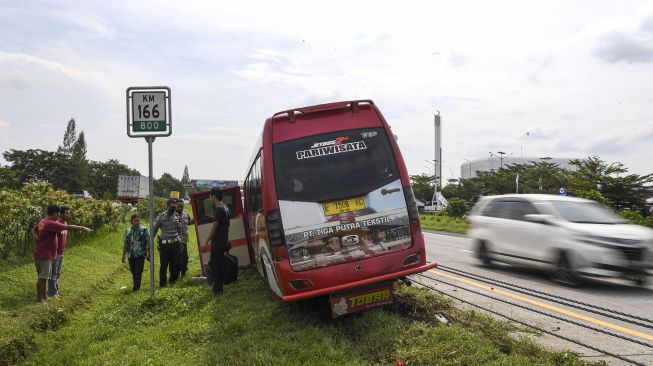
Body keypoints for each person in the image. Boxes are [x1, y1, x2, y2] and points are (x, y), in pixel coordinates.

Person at [32, 204, 92, 302]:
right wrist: (83, 228)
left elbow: (33, 231)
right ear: (55, 213)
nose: (59, 215)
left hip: (43, 254)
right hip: (44, 255)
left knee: (44, 277)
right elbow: (68, 227)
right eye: (58, 213)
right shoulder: (50, 223)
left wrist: (38, 239)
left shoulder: (43, 221)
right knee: (42, 278)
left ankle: (44, 297)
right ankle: (40, 300)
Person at [152, 198, 183, 287]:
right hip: (164, 245)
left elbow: (179, 230)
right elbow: (154, 231)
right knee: (164, 265)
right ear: (167, 206)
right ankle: (163, 283)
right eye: (171, 207)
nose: (173, 209)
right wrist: (149, 244)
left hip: (176, 244)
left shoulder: (177, 216)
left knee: (176, 264)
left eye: (175, 207)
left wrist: (180, 242)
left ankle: (173, 280)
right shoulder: (161, 217)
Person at [205, 187, 230, 295]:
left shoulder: (219, 208)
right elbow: (227, 226)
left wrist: (207, 239)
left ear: (213, 196)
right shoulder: (225, 207)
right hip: (223, 241)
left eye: (210, 196)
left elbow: (215, 226)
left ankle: (217, 289)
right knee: (218, 265)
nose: (210, 198)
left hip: (218, 242)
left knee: (215, 266)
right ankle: (219, 288)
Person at [47, 206, 70, 298]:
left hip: (61, 253)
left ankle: (56, 290)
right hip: (55, 253)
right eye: (67, 213)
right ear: (61, 213)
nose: (68, 215)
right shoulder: (57, 224)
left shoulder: (65, 223)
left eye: (69, 213)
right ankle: (52, 293)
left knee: (58, 273)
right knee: (53, 273)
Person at [122, 214, 150, 291]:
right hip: (131, 254)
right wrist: (123, 255)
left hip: (141, 254)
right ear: (132, 222)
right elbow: (125, 243)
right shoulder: (128, 231)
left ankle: (136, 288)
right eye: (135, 221)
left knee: (138, 271)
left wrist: (148, 252)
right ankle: (136, 285)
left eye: (138, 220)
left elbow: (149, 241)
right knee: (133, 271)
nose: (137, 222)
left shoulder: (144, 230)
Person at [175, 199, 193, 277]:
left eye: (182, 206)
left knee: (185, 257)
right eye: (178, 206)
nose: (180, 207)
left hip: (184, 240)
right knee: (177, 258)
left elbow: (189, 222)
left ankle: (183, 273)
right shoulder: (173, 215)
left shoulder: (186, 214)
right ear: (176, 206)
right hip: (175, 241)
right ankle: (177, 273)